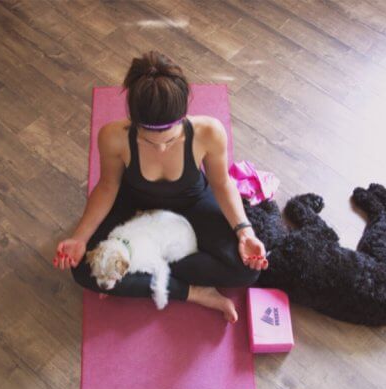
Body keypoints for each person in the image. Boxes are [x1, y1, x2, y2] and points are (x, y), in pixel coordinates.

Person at [54, 50, 268, 322]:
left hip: (192, 204)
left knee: (246, 270)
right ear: (134, 122)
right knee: (83, 271)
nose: (162, 147)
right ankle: (193, 292)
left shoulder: (209, 132)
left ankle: (139, 272)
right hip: (135, 210)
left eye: (170, 139)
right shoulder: (113, 136)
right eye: (150, 140)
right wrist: (80, 238)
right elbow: (107, 187)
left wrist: (245, 232)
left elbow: (222, 183)